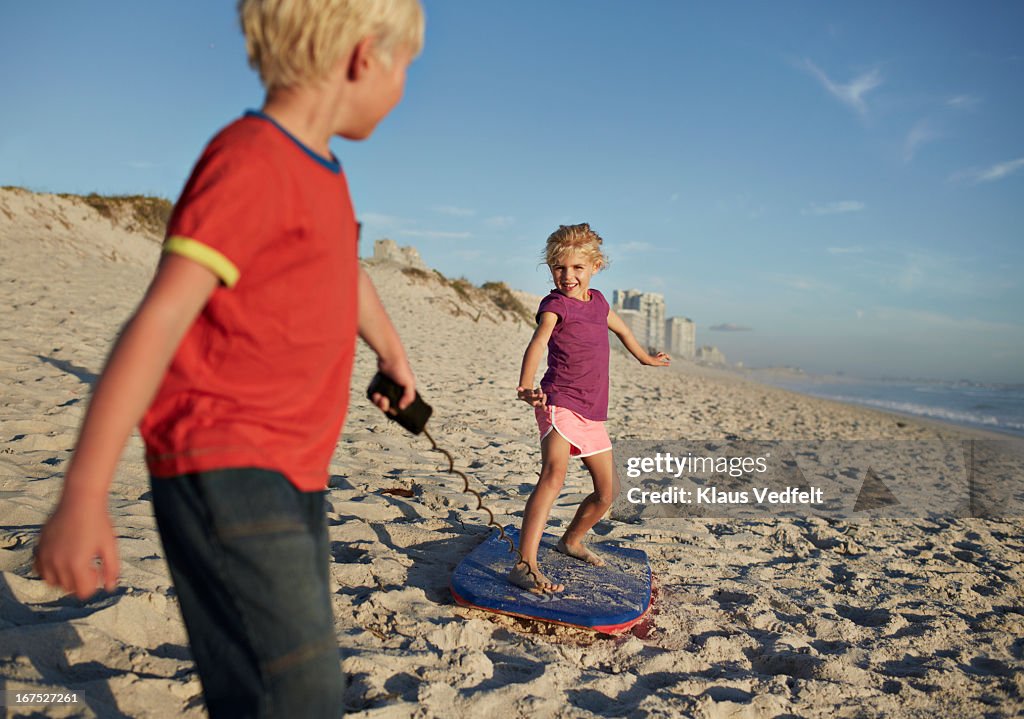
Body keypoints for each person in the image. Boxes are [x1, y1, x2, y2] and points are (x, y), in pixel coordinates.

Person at [33, 1, 425, 715]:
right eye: (407, 68)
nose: (405, 90)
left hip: (295, 464)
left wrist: (392, 350)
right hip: (224, 460)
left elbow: (346, 271)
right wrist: (85, 493)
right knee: (298, 692)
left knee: (263, 682)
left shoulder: (324, 171)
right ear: (364, 56)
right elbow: (156, 321)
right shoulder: (251, 160)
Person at [511, 223, 670, 594]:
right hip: (559, 403)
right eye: (559, 268)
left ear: (594, 266)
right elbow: (538, 343)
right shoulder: (554, 306)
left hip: (592, 411)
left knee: (607, 492)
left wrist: (645, 358)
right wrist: (526, 385)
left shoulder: (599, 302)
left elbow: (623, 331)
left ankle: (570, 540)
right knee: (553, 476)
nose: (567, 276)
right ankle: (525, 564)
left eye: (576, 268)